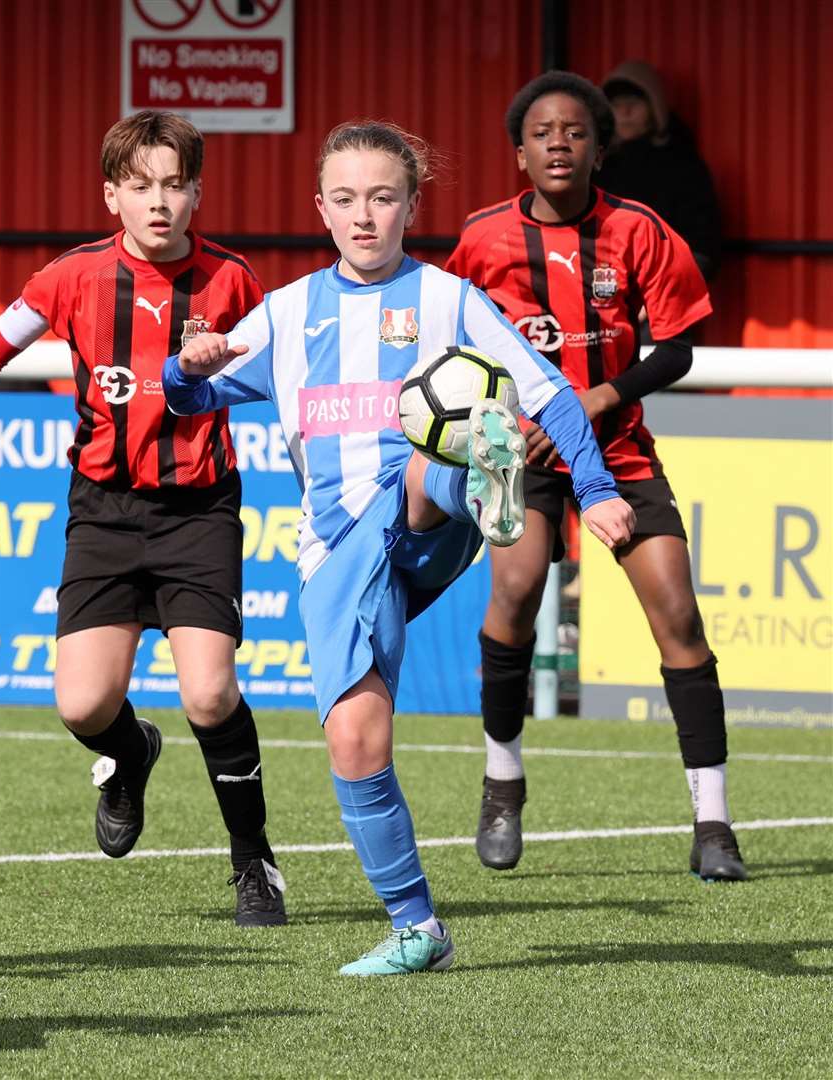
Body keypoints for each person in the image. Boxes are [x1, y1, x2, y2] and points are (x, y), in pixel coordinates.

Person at [163, 120, 635, 975]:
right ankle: (418, 927)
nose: (365, 216)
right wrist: (187, 367)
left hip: (426, 514)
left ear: (411, 204)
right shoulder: (289, 311)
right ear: (321, 208)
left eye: (383, 198)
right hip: (338, 548)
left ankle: (475, 479)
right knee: (355, 739)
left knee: (423, 460)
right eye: (346, 200)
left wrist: (597, 492)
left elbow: (554, 395)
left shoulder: (451, 300)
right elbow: (187, 402)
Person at [0, 110, 286, 926]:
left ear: (197, 194)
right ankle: (129, 752)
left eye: (176, 185)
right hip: (103, 511)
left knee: (211, 694)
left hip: (199, 508)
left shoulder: (233, 281)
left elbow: (285, 377)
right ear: (111, 194)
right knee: (82, 707)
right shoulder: (71, 277)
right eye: (142, 185)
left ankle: (254, 862)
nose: (160, 202)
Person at [445, 71, 746, 882]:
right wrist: (510, 421)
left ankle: (713, 822)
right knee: (513, 592)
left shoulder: (639, 229)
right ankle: (503, 783)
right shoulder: (481, 239)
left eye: (575, 131)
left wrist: (604, 396)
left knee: (677, 610)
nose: (558, 143)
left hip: (617, 449)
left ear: (599, 148)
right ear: (519, 152)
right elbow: (452, 348)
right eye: (542, 132)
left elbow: (681, 342)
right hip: (522, 453)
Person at [597, 60, 722, 282]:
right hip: (601, 294)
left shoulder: (683, 166)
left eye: (634, 102)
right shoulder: (594, 166)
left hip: (663, 298)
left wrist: (667, 291)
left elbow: (703, 245)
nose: (625, 111)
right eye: (616, 104)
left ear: (655, 108)